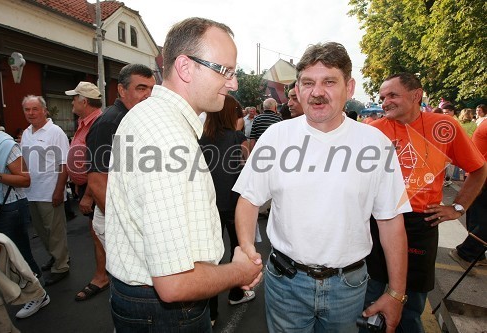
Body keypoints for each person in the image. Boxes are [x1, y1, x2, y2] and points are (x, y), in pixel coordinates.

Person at [234, 42, 410, 333]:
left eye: (329, 81)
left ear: (349, 87)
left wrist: (396, 294)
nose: (317, 92)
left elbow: (391, 221)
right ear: (299, 89)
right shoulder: (276, 136)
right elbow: (249, 199)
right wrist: (246, 248)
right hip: (284, 282)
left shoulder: (375, 144)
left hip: (349, 286)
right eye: (308, 83)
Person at [105, 17, 262, 332]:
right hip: (164, 314)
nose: (233, 84)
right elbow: (174, 284)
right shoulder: (166, 135)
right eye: (225, 71)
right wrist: (238, 272)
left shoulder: (153, 116)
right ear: (186, 68)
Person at [365, 73, 487, 333]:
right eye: (383, 96)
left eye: (393, 95)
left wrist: (458, 207)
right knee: (370, 297)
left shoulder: (445, 126)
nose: (385, 102)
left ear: (416, 95)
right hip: (378, 221)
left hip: (421, 223)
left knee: (411, 307)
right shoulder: (373, 130)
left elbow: (478, 169)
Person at [85, 64, 155, 301]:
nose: (147, 94)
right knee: (133, 285)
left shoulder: (133, 117)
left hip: (130, 213)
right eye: (141, 88)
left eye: (151, 89)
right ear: (122, 90)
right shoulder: (110, 122)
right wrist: (122, 225)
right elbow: (97, 181)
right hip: (117, 217)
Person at [0, 95, 49, 318]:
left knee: (19, 254)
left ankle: (38, 294)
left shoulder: (4, 143)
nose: (30, 113)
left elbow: (25, 179)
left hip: (7, 207)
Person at [200, 95, 253, 325]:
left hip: (207, 205)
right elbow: (248, 171)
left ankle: (210, 312)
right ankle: (235, 292)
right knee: (237, 248)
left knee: (209, 256)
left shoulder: (199, 138)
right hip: (232, 204)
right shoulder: (237, 138)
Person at [21, 95, 70, 286]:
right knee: (42, 231)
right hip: (31, 191)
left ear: (44, 110)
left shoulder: (55, 132)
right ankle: (55, 256)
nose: (31, 113)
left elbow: (64, 164)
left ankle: (61, 266)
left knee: (55, 231)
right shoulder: (26, 132)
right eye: (27, 110)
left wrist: (58, 191)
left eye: (35, 109)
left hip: (50, 191)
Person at [64, 81, 105, 301]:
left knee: (98, 232)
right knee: (97, 231)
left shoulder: (98, 123)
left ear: (84, 101)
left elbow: (100, 164)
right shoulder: (84, 122)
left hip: (93, 189)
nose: (72, 101)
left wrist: (88, 194)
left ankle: (102, 276)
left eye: (74, 98)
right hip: (85, 187)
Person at [449, 118, 487, 273]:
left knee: (479, 216)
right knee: (482, 219)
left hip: (479, 174)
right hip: (481, 175)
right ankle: (466, 252)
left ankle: (476, 253)